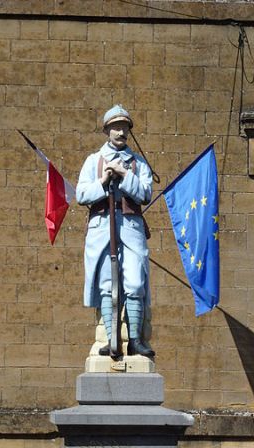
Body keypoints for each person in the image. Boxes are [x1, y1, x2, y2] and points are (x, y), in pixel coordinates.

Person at [76, 105, 155, 358]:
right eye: (116, 127)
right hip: (102, 228)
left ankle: (134, 340)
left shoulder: (139, 163)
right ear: (107, 130)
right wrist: (102, 181)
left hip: (131, 229)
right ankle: (111, 340)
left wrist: (123, 174)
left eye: (124, 127)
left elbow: (145, 193)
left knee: (135, 282)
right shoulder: (93, 161)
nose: (120, 131)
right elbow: (81, 195)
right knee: (106, 285)